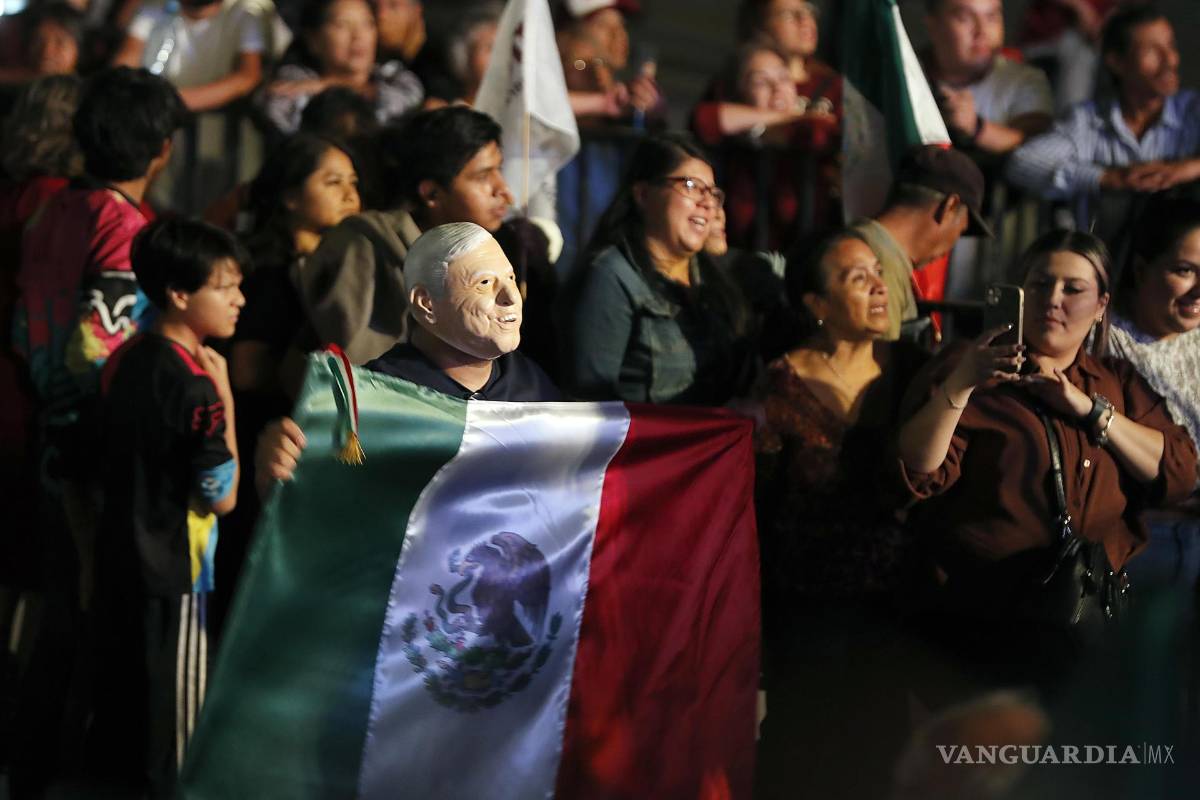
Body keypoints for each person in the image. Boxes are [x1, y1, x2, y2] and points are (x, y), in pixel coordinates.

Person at [896, 229, 1197, 698]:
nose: (1052, 300)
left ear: (1101, 305)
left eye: (1073, 289)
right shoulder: (968, 365)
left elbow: (1178, 473)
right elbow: (916, 474)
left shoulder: (1114, 380)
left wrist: (1089, 410)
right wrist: (962, 384)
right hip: (979, 629)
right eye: (1039, 285)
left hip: (1086, 623)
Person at [753, 228, 927, 800]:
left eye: (879, 272)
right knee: (799, 759)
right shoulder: (780, 384)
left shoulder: (913, 372)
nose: (880, 287)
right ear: (816, 305)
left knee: (879, 759)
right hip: (807, 613)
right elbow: (757, 505)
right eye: (858, 278)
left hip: (894, 611)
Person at [88, 218, 243, 796]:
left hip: (116, 563)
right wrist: (225, 393)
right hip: (178, 573)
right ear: (180, 294)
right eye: (224, 287)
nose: (239, 299)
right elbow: (222, 497)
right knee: (174, 736)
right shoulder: (197, 386)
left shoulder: (123, 361)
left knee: (123, 722)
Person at [257, 222, 560, 493]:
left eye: (510, 277)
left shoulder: (532, 386)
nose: (510, 297)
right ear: (427, 303)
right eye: (484, 283)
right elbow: (324, 515)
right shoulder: (372, 403)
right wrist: (280, 469)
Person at [297, 106, 513, 364]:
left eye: (499, 170)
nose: (503, 191)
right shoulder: (367, 243)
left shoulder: (504, 247)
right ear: (431, 193)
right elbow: (354, 362)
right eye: (483, 176)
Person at [561, 132, 754, 405]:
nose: (707, 202)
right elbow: (591, 402)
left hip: (713, 441)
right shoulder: (611, 277)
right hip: (648, 444)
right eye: (691, 185)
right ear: (642, 194)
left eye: (712, 192)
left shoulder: (713, 277)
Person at [1007, 5, 1200, 231]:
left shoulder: (1193, 112)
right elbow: (1022, 163)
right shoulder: (1087, 121)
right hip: (1103, 260)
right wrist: (1106, 178)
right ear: (1116, 62)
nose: (1170, 60)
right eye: (1152, 51)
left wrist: (1187, 169)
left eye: (1171, 46)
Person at [1108, 193, 1200, 589]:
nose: (1199, 291)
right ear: (1142, 268)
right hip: (1142, 543)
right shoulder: (1102, 341)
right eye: (1185, 270)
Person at [692, 39, 839, 251]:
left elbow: (824, 130)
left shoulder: (808, 130)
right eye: (761, 82)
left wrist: (787, 125)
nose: (777, 88)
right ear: (738, 95)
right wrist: (776, 123)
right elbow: (704, 120)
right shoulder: (734, 142)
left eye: (783, 77)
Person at [851, 144, 991, 344]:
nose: (952, 246)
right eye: (961, 231)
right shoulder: (882, 265)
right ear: (949, 207)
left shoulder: (860, 242)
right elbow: (878, 366)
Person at [260, 0, 424, 135]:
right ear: (313, 40)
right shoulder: (294, 78)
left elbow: (405, 101)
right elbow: (278, 112)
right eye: (342, 25)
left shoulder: (394, 75)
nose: (358, 36)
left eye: (367, 24)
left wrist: (327, 85)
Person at [923, 0, 1054, 157]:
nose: (982, 31)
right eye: (965, 18)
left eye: (991, 17)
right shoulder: (904, 75)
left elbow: (1035, 145)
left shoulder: (1025, 81)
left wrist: (975, 127)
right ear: (933, 25)